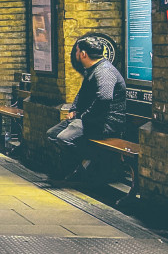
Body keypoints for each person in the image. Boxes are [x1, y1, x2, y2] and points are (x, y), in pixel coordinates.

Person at [46, 37, 126, 181]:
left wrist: (85, 116)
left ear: (83, 54)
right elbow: (82, 93)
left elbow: (104, 98)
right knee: (52, 134)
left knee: (63, 139)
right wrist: (74, 109)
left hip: (104, 122)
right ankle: (77, 166)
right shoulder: (91, 69)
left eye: (76, 50)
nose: (75, 53)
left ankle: (86, 163)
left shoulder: (104, 71)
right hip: (88, 119)